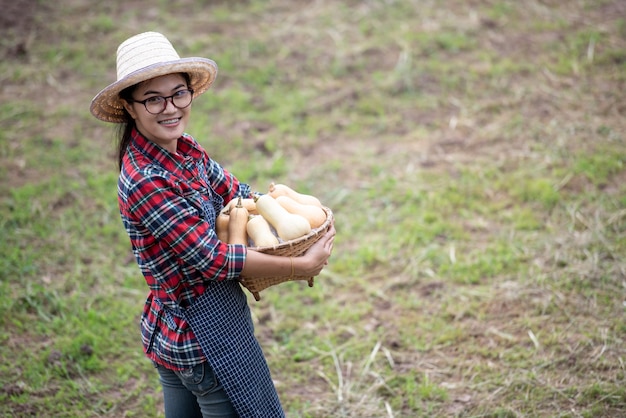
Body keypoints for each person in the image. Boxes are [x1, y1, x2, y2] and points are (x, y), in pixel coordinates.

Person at [90, 32, 335, 418]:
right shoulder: (145, 180)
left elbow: (236, 191)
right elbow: (211, 259)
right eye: (153, 98)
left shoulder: (186, 148)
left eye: (178, 93)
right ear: (130, 107)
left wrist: (285, 213)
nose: (170, 108)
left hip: (175, 325)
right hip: (200, 338)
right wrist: (297, 266)